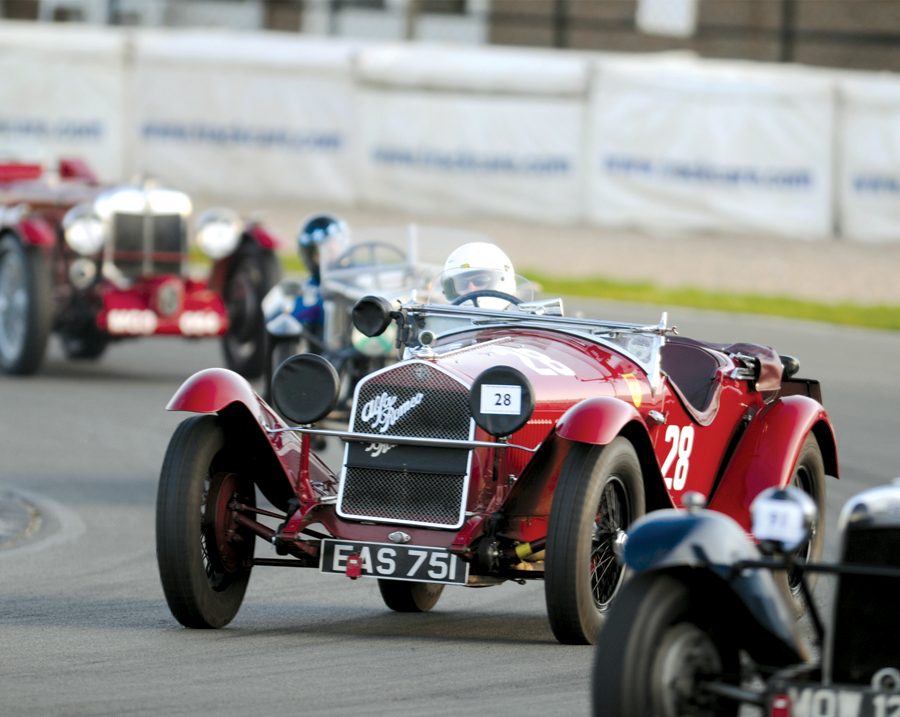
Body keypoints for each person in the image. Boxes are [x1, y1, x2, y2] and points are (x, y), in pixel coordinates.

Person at [290, 213, 351, 340]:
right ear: (310, 256)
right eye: (320, 253)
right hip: (324, 351)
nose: (330, 256)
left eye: (333, 249)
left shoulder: (359, 276)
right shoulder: (308, 290)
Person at [440, 241, 517, 309]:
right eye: (462, 284)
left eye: (480, 281)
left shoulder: (521, 324)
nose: (471, 289)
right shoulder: (445, 322)